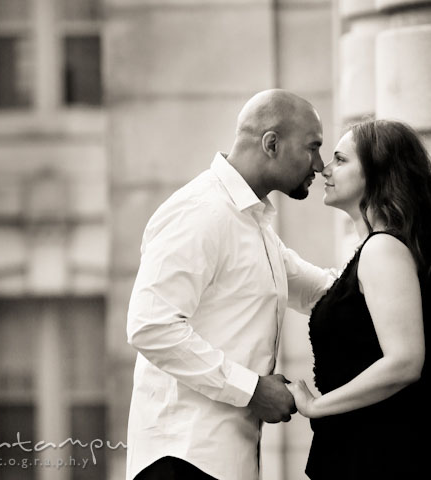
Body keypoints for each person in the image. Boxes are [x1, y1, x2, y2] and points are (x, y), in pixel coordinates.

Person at [125, 89, 337, 480]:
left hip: (224, 464)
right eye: (313, 147)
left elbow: (324, 292)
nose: (321, 164)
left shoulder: (252, 224)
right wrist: (253, 390)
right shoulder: (201, 211)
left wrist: (390, 249)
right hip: (182, 462)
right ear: (271, 144)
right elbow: (151, 325)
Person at [287, 119, 431, 479]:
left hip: (387, 449)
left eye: (340, 159)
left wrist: (316, 406)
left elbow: (405, 362)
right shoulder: (378, 249)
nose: (323, 168)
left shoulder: (383, 249)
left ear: (378, 173)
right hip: (374, 443)